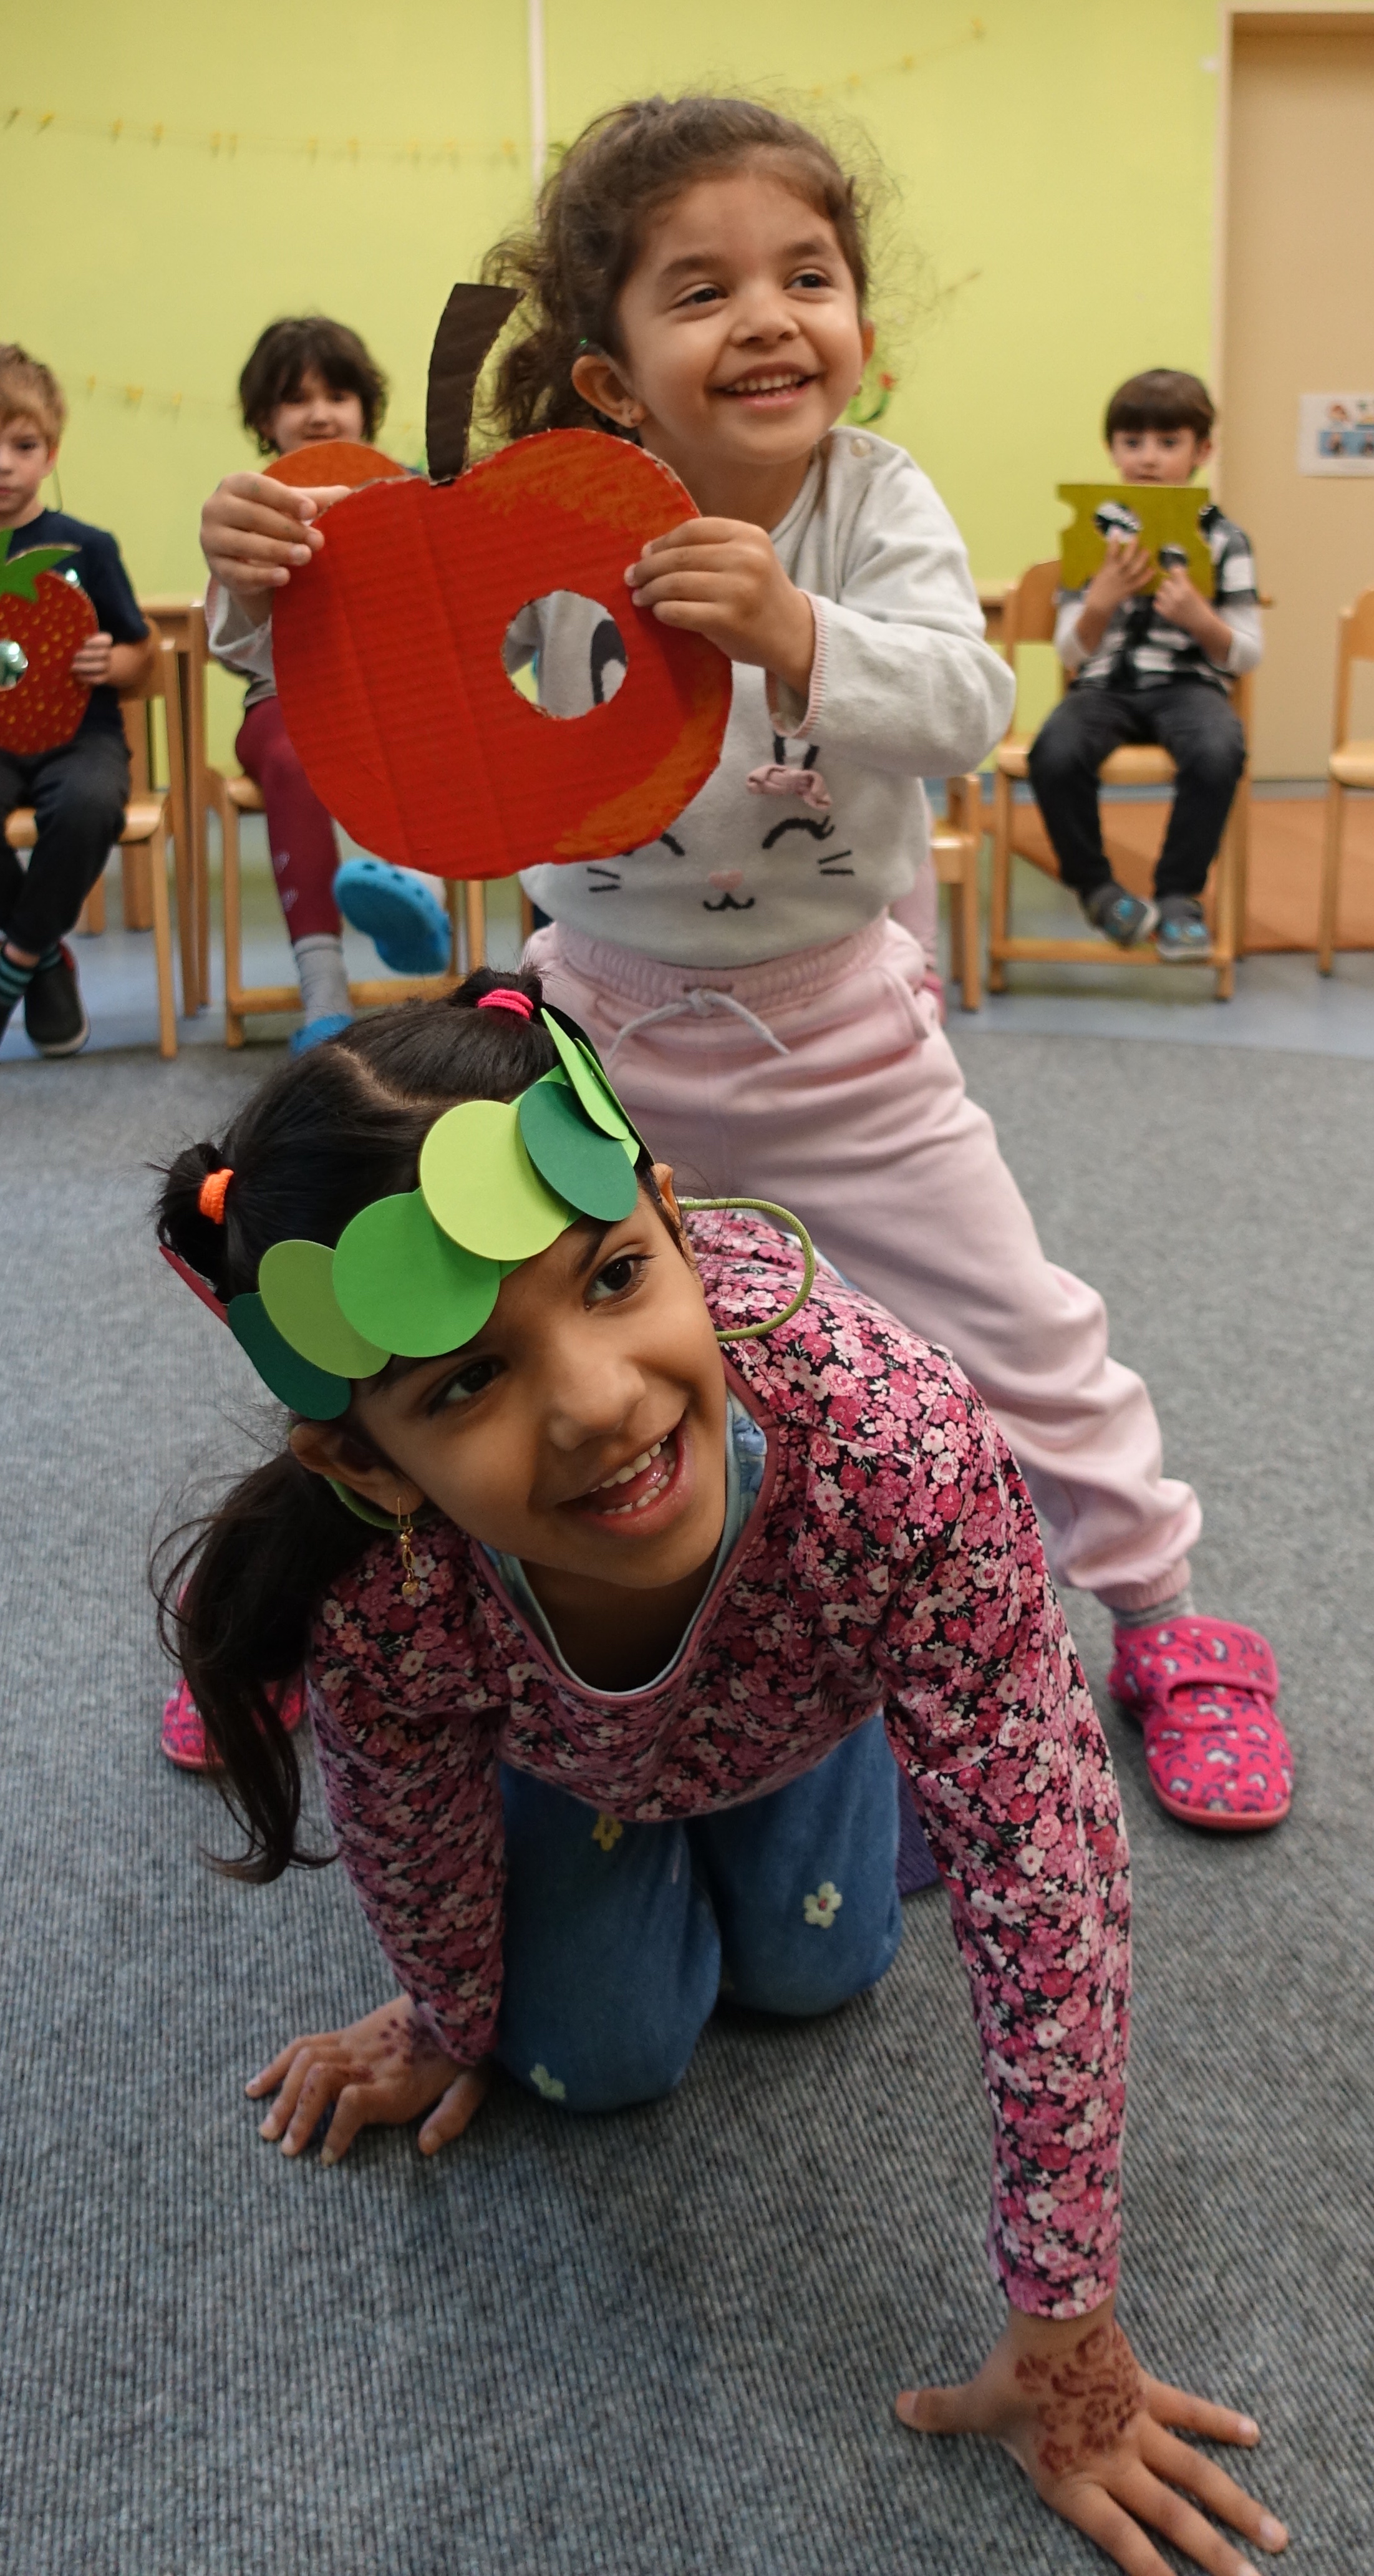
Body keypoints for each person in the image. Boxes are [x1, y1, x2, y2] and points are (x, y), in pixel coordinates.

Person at [195, 98, 1292, 1839]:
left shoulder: (873, 501)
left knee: (1018, 1328)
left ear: (861, 321)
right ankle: (303, 1617)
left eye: (808, 275)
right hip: (593, 1037)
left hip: (836, 1035)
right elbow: (393, 687)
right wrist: (264, 594)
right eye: (698, 291)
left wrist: (795, 628)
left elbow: (966, 703)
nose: (769, 315)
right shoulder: (548, 512)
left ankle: (1168, 1621)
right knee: (444, 1313)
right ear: (614, 373)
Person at [154, 974, 1287, 2576]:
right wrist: (444, 2012)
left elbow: (1052, 1884)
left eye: (616, 1275)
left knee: (828, 1966)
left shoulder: (893, 1450)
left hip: (792, 1708)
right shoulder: (381, 1590)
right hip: (564, 1752)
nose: (600, 1401)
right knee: (593, 2063)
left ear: (675, 1228)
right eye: (463, 1383)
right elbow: (404, 1822)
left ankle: (869, 1760)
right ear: (363, 1463)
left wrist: (1065, 2315)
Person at [211, 316, 452, 1050]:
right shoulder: (250, 508)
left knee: (438, 727)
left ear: (364, 410)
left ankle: (414, 895)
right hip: (282, 705)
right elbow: (229, 644)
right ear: (265, 420)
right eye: (296, 399)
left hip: (389, 700)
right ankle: (324, 995)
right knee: (294, 760)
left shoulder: (402, 493)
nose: (319, 413)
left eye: (338, 394)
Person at [1028, 368, 1260, 964]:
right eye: (1132, 443)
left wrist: (1198, 618)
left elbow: (1246, 651)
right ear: (1112, 451)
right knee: (1053, 753)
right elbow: (1069, 653)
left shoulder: (1226, 540)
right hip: (1103, 687)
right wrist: (1098, 604)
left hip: (1189, 689)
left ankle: (1179, 897)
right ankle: (1098, 891)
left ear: (1201, 451)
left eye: (1168, 442)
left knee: (1218, 750)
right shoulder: (1092, 532)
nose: (1148, 458)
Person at [0, 344, 153, 1057]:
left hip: (80, 735)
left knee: (89, 804)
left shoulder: (87, 547)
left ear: (50, 454)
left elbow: (138, 651)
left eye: (22, 445)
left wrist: (110, 658)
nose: (4, 462)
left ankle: (19, 960)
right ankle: (43, 958)